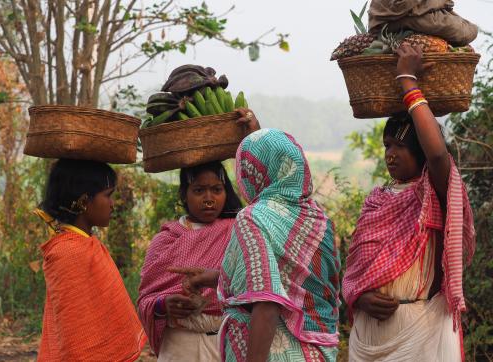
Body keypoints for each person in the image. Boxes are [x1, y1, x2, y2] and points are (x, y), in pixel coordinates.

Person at [342, 43, 475, 362]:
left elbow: (438, 154)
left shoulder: (434, 191)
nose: (390, 153)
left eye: (401, 145)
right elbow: (353, 271)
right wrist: (358, 298)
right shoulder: (377, 201)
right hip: (369, 333)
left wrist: (408, 82)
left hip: (420, 330)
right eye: (387, 144)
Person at [173, 129, 341, 361]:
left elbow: (267, 301)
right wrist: (213, 277)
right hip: (320, 349)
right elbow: (287, 278)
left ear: (253, 173)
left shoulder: (254, 217)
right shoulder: (319, 219)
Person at [137, 109, 260, 361]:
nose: (209, 199)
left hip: (229, 342)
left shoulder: (238, 229)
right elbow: (145, 300)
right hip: (180, 345)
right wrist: (163, 305)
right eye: (199, 190)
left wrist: (254, 133)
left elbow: (255, 283)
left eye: (216, 189)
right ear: (184, 194)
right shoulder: (167, 240)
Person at [35, 159, 144, 361]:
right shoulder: (67, 252)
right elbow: (73, 332)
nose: (112, 204)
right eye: (108, 195)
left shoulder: (85, 244)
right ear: (84, 201)